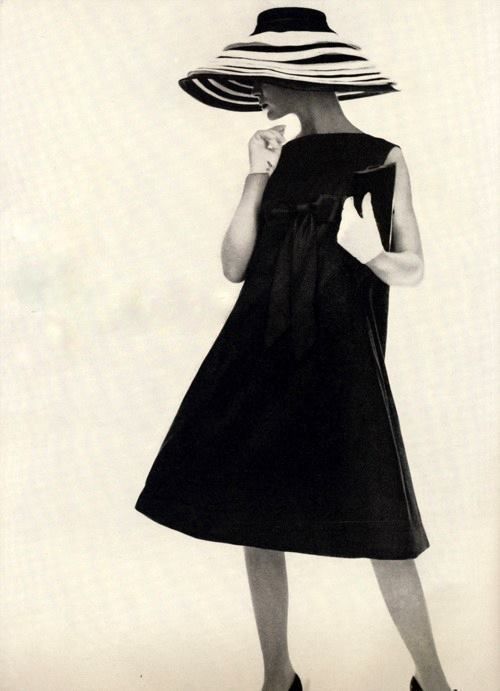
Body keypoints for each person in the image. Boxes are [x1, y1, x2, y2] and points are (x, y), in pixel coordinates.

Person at [135, 8, 458, 691]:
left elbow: (413, 268)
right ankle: (277, 677)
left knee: (384, 527)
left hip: (344, 364)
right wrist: (254, 176)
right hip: (258, 356)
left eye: (260, 78)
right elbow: (233, 265)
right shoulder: (274, 159)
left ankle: (434, 682)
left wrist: (371, 253)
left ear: (293, 77)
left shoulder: (382, 156)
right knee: (257, 520)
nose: (256, 93)